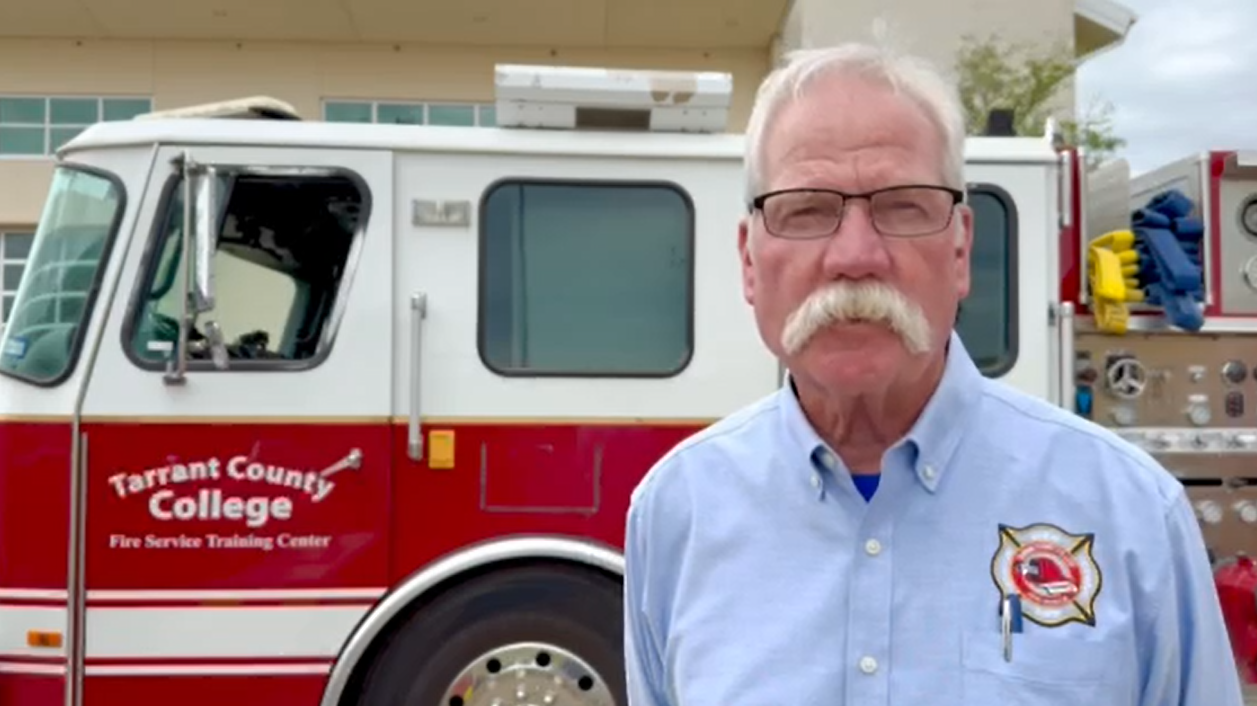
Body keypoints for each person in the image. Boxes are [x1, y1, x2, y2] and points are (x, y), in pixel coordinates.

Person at [621, 41, 1245, 706]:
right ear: (750, 261)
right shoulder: (676, 512)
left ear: (959, 249)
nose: (853, 256)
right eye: (804, 209)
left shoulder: (1131, 516)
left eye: (901, 206)